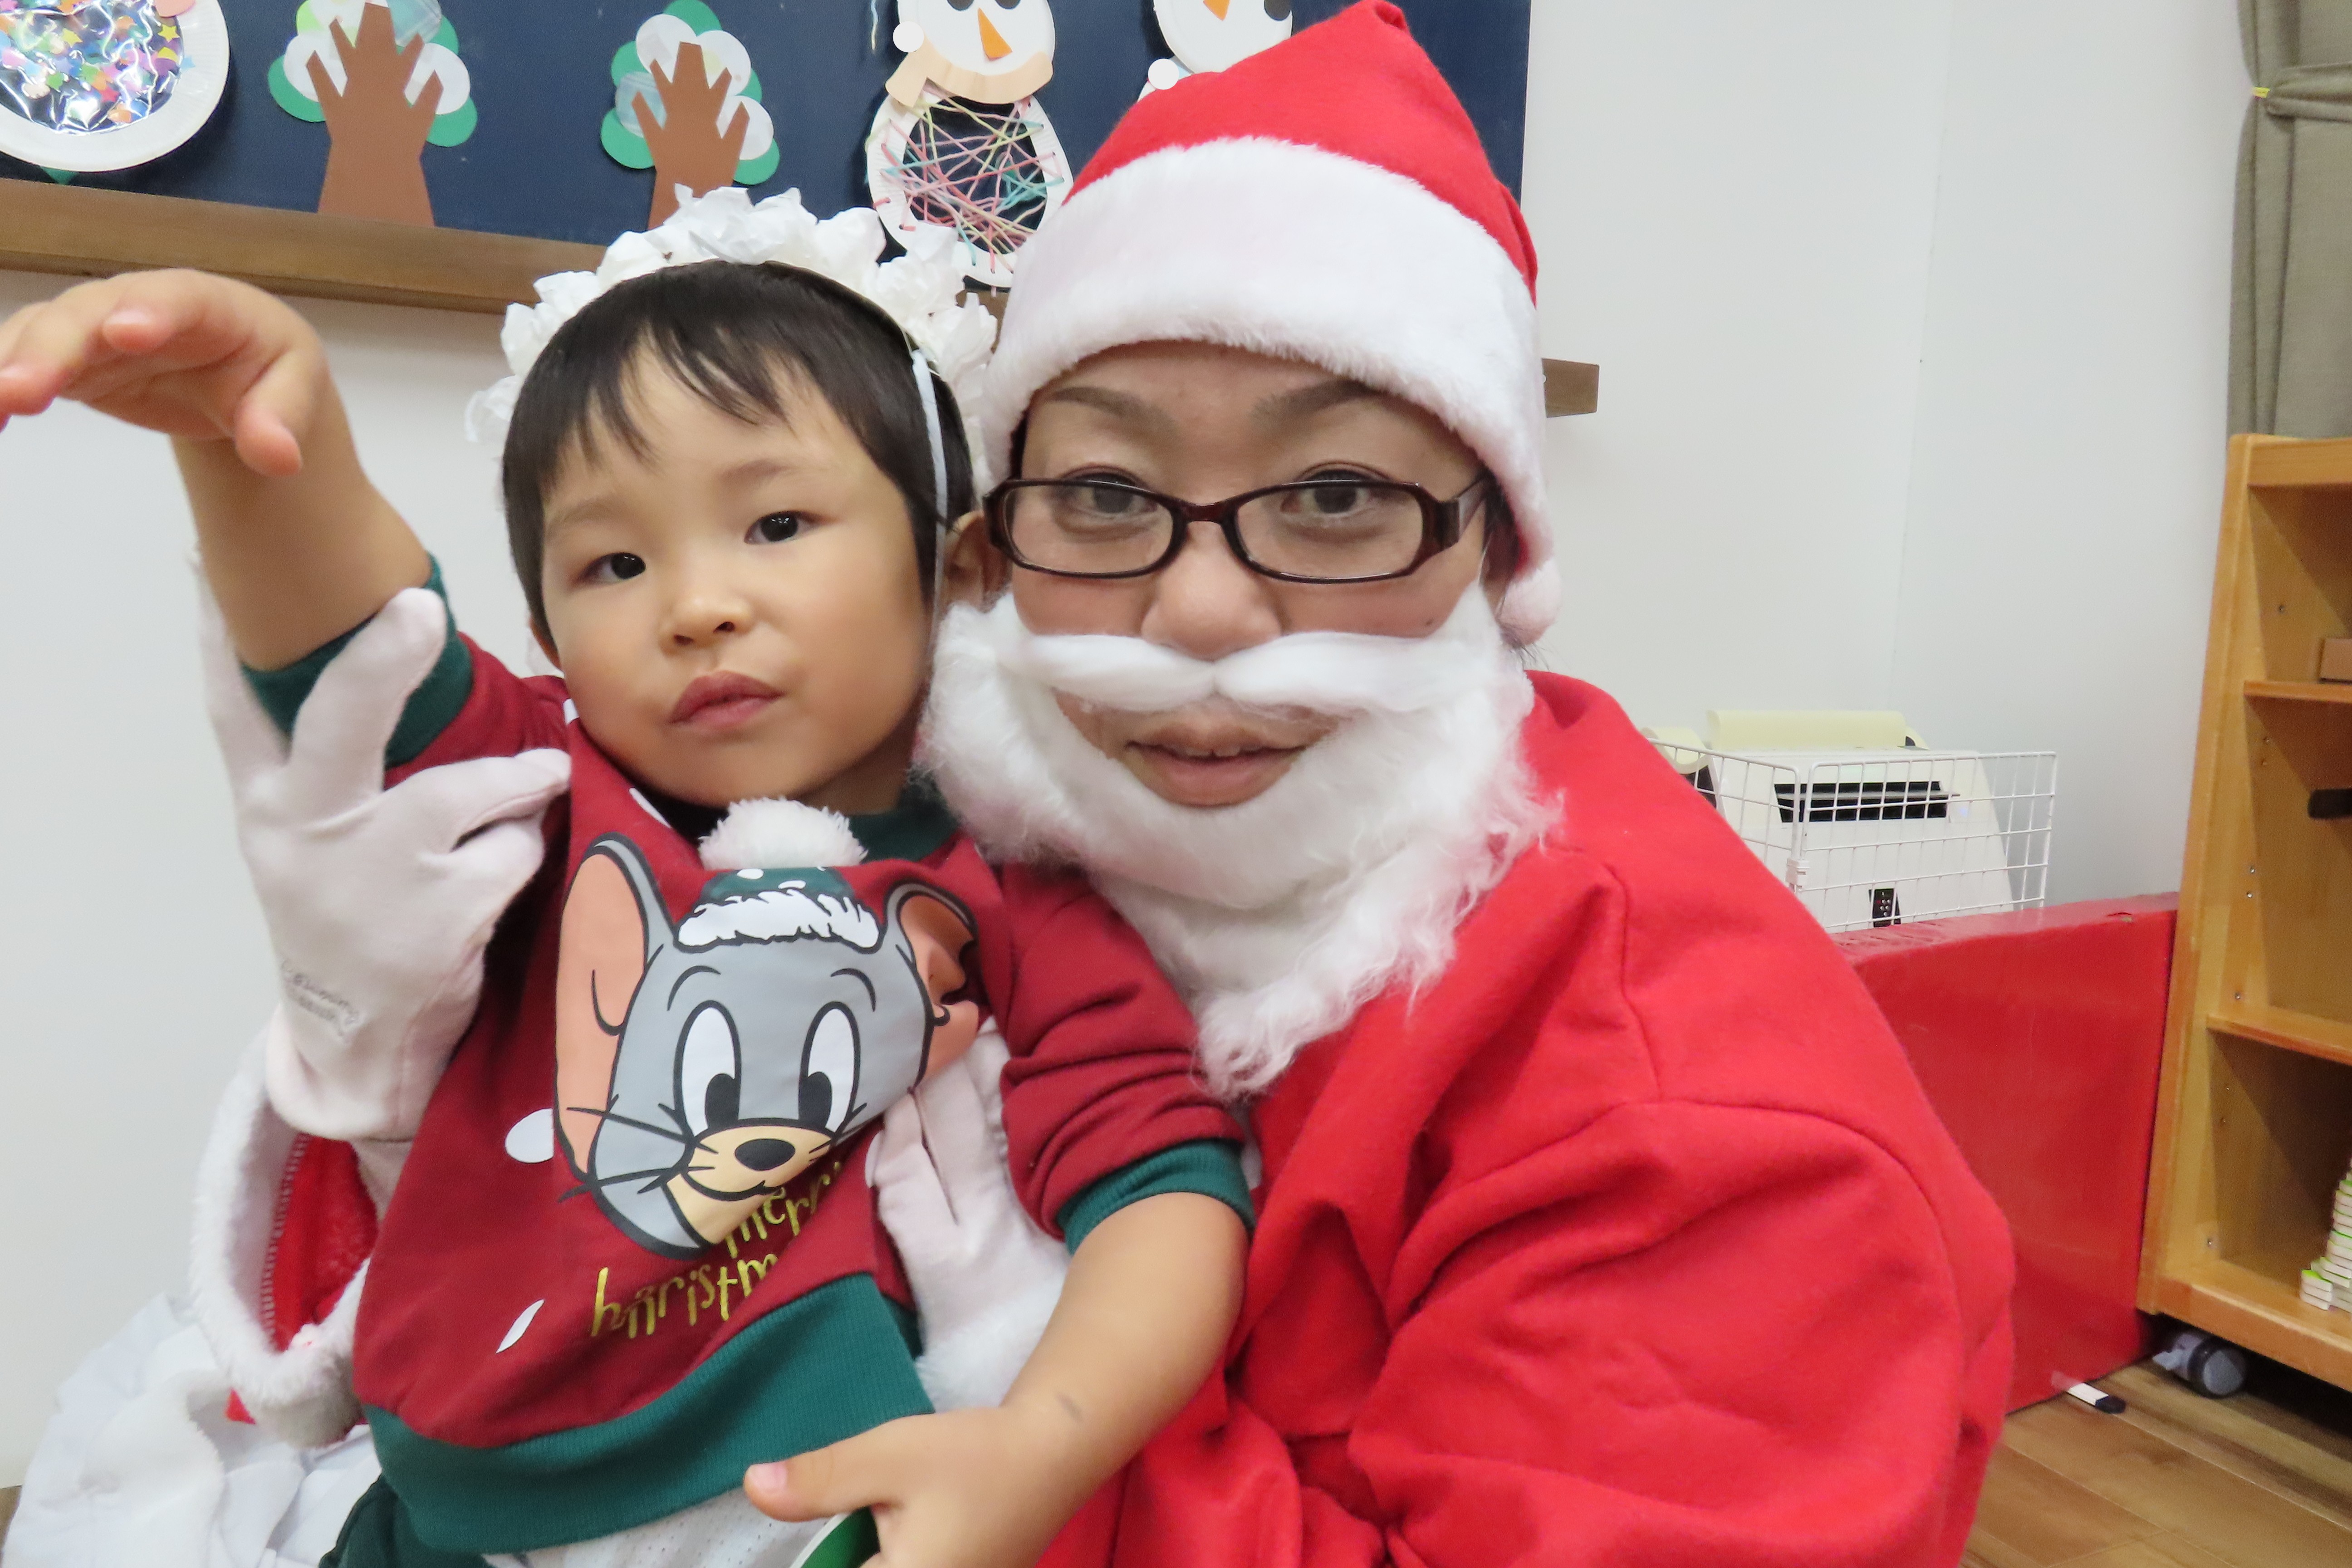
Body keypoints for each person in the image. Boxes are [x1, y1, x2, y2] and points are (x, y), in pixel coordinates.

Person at [0, 203, 1253, 1568]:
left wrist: (1041, 1444)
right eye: (615, 562)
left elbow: (1165, 1188)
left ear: (956, 570)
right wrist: (253, 448)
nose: (696, 604)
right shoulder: (543, 789)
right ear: (549, 633)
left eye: (776, 521)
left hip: (795, 1499)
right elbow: (362, 665)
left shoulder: (1007, 883)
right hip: (445, 1496)